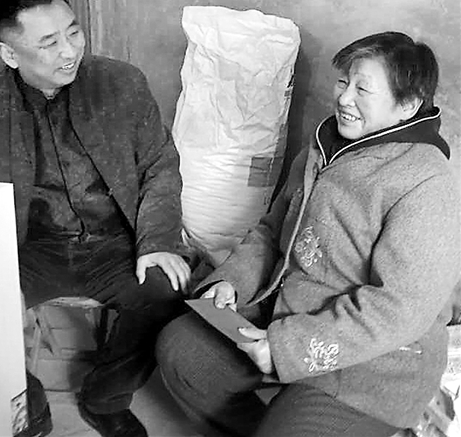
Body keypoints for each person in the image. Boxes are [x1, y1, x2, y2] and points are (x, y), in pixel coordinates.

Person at [155, 31, 461, 437]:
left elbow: (399, 310)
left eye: (362, 89)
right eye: (343, 81)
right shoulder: (324, 146)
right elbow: (272, 232)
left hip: (370, 362)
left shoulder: (426, 182)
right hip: (285, 312)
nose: (344, 98)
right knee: (183, 354)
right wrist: (231, 282)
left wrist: (290, 349)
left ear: (407, 105)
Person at [0, 0, 192, 437]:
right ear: (10, 54)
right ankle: (30, 404)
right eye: (49, 43)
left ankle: (106, 397)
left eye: (73, 32)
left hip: (116, 240)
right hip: (31, 248)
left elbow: (160, 166)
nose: (69, 51)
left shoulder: (122, 84)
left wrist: (157, 241)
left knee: (168, 289)